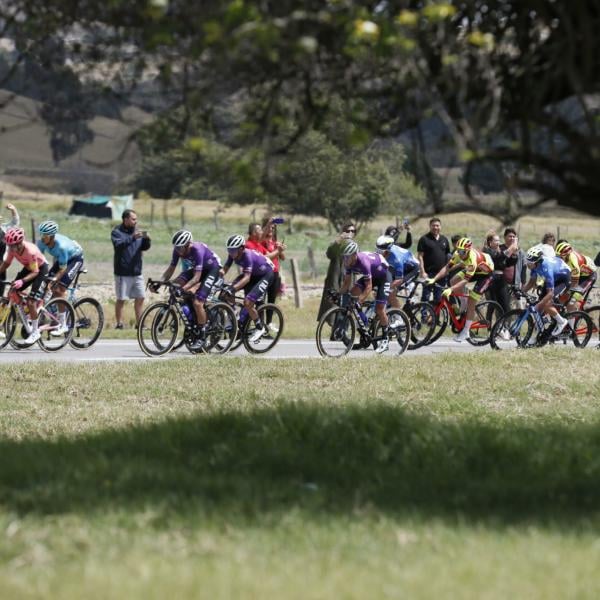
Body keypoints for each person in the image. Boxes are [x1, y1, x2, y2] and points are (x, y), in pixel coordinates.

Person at [153, 230, 222, 350]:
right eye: (176, 248)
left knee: (197, 302)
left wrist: (183, 289)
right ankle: (193, 317)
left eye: (180, 248)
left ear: (188, 244)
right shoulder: (177, 250)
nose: (178, 251)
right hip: (197, 269)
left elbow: (196, 278)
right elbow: (171, 269)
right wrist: (159, 283)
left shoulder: (197, 250)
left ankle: (202, 335)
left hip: (212, 269)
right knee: (174, 286)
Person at [426, 237, 494, 342]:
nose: (459, 253)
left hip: (485, 275)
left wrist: (451, 289)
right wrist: (434, 279)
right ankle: (464, 303)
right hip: (474, 270)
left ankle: (466, 331)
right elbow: (447, 268)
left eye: (462, 251)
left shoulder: (472, 259)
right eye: (458, 250)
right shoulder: (458, 254)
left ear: (468, 250)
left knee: (472, 299)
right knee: (453, 280)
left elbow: (465, 281)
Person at [339, 240, 393, 354]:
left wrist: (360, 300)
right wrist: (337, 294)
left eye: (347, 257)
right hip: (372, 275)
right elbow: (346, 284)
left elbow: (369, 287)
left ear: (354, 255)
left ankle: (385, 338)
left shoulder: (363, 262)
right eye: (344, 257)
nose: (345, 260)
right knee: (352, 295)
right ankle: (364, 322)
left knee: (379, 308)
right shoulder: (348, 263)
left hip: (384, 276)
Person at [0, 227, 49, 343]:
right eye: (9, 246)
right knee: (11, 292)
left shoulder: (30, 251)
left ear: (20, 242)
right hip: (29, 268)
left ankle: (35, 332)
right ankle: (26, 315)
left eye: (12, 245)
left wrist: (22, 281)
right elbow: (6, 263)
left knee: (31, 301)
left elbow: (35, 272)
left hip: (40, 269)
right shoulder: (13, 249)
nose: (11, 248)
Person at [223, 234, 275, 343]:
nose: (231, 253)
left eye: (233, 250)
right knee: (225, 294)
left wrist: (232, 289)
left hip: (266, 275)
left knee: (248, 302)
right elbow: (224, 270)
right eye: (229, 250)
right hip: (253, 275)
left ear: (241, 249)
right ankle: (234, 315)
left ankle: (260, 327)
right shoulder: (232, 255)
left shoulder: (247, 256)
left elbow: (246, 279)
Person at [36, 220, 85, 335]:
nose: (42, 238)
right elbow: (39, 261)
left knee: (59, 289)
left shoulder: (61, 247)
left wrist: (54, 280)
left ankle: (62, 324)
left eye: (45, 235)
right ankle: (54, 315)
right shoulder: (41, 243)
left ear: (52, 236)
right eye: (41, 234)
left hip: (75, 258)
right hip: (62, 259)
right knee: (45, 285)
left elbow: (62, 269)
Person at [111, 209, 151, 329]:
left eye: (136, 219)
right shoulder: (116, 232)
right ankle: (119, 324)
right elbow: (118, 246)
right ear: (125, 219)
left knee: (140, 297)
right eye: (133, 219)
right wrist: (133, 238)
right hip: (123, 272)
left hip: (137, 271)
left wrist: (147, 240)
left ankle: (140, 324)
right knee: (121, 299)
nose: (136, 221)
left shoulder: (137, 231)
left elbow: (144, 247)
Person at [521, 246, 571, 336]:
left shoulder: (546, 267)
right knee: (540, 305)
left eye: (530, 263)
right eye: (527, 261)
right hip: (554, 277)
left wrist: (538, 305)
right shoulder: (534, 266)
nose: (527, 264)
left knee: (546, 303)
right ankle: (541, 333)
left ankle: (562, 321)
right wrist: (521, 291)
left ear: (537, 262)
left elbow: (550, 293)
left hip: (563, 278)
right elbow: (531, 282)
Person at [317, 222, 356, 321]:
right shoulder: (337, 244)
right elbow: (329, 253)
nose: (350, 233)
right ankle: (335, 332)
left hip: (349, 281)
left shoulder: (354, 246)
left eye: (353, 231)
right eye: (348, 231)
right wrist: (339, 239)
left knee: (347, 307)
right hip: (335, 279)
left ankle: (342, 332)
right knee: (333, 306)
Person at [375, 235, 420, 308]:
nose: (378, 253)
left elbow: (399, 280)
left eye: (380, 251)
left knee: (390, 293)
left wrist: (386, 287)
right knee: (383, 291)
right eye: (377, 250)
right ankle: (390, 309)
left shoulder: (397, 258)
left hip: (412, 270)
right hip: (398, 268)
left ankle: (399, 317)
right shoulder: (385, 252)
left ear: (388, 250)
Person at [554, 241, 597, 312]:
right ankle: (565, 316)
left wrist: (566, 293)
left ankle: (571, 320)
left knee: (571, 301)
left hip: (588, 277)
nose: (559, 259)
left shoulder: (573, 262)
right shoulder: (565, 259)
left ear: (566, 255)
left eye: (560, 257)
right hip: (579, 275)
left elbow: (574, 284)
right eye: (557, 256)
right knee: (561, 298)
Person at [261, 217, 287, 332]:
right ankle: (260, 325)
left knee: (271, 300)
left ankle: (269, 323)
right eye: (270, 227)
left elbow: (283, 258)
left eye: (273, 228)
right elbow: (266, 256)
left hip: (275, 273)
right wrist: (268, 223)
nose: (271, 229)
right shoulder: (261, 241)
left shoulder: (274, 241)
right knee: (261, 300)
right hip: (264, 273)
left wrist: (280, 249)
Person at [417, 217, 450, 306]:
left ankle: (436, 318)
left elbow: (447, 256)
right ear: (430, 226)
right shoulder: (424, 239)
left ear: (440, 226)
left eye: (437, 225)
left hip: (441, 275)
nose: (435, 227)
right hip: (428, 273)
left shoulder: (444, 239)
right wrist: (423, 272)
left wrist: (447, 270)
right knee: (425, 297)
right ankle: (423, 318)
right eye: (433, 225)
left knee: (438, 298)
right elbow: (420, 256)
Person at [482, 230, 510, 314]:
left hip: (501, 280)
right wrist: (508, 251)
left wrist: (514, 255)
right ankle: (489, 325)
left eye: (499, 240)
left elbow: (505, 263)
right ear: (490, 242)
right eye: (496, 240)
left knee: (504, 304)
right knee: (492, 304)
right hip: (490, 280)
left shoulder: (499, 251)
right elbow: (496, 258)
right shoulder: (486, 251)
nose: (498, 242)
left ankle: (504, 324)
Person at [0, 203, 20, 297]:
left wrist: (13, 209)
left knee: (1, 284)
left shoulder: (4, 229)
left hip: (1, 264)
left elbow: (15, 222)